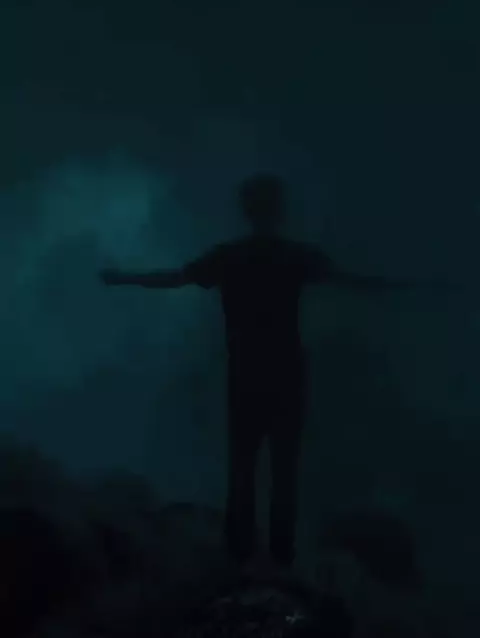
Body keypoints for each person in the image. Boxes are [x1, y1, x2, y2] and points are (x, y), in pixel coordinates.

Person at [100, 174, 408, 571]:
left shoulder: (231, 256)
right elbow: (351, 281)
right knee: (282, 469)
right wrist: (404, 287)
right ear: (279, 210)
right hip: (286, 375)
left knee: (244, 466)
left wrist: (123, 278)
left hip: (246, 374)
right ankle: (280, 559)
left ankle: (240, 555)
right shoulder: (293, 255)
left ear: (246, 210)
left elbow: (175, 278)